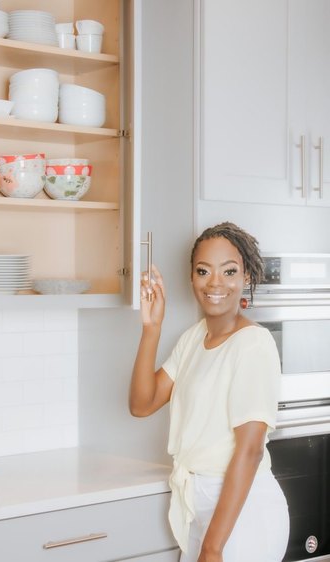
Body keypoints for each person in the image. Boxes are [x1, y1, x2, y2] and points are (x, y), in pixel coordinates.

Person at [129, 222, 290, 562]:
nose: (215, 283)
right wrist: (151, 328)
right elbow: (142, 404)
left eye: (229, 271)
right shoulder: (193, 338)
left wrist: (213, 547)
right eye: (204, 271)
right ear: (192, 278)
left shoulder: (253, 344)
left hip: (244, 513)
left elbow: (250, 452)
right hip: (198, 503)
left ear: (246, 277)